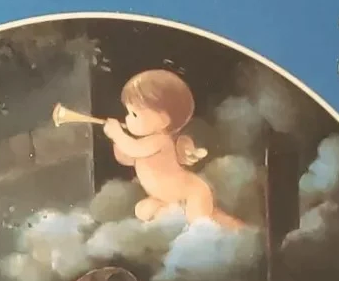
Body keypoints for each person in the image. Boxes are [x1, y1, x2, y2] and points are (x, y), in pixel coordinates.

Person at [103, 69, 241, 227]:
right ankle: (172, 216)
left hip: (191, 193)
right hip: (165, 197)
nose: (127, 118)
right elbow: (127, 158)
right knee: (142, 211)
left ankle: (222, 230)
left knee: (199, 222)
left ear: (163, 119)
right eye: (128, 113)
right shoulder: (145, 142)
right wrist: (116, 142)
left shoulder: (160, 140)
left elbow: (134, 149)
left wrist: (117, 134)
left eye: (134, 114)